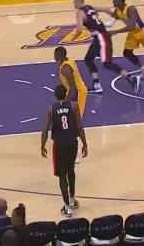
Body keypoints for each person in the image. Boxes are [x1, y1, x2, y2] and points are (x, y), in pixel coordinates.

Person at [72, 0, 137, 94]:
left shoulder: (79, 12)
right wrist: (115, 17)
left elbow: (80, 29)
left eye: (74, 2)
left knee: (107, 64)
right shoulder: (90, 7)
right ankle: (96, 85)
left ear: (78, 2)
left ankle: (130, 77)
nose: (73, 4)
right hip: (101, 38)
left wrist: (74, 37)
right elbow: (106, 9)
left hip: (101, 38)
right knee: (88, 59)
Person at [41, 84, 88, 218]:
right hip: (72, 143)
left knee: (62, 175)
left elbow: (45, 129)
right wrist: (85, 144)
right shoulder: (74, 106)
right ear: (66, 94)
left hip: (59, 146)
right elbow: (79, 126)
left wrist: (42, 145)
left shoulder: (51, 109)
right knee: (71, 171)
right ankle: (72, 199)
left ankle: (67, 208)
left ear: (55, 96)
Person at [104, 0, 144, 80]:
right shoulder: (117, 11)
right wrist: (95, 24)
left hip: (142, 32)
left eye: (114, 0)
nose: (113, 1)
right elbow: (109, 23)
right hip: (132, 33)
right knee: (127, 53)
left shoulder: (131, 9)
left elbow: (132, 25)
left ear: (120, 0)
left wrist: (116, 31)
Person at [54, 46, 88, 118]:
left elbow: (73, 88)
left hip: (78, 92)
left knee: (76, 118)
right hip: (75, 90)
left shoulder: (65, 69)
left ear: (61, 56)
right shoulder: (69, 59)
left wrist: (65, 102)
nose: (54, 57)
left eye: (56, 55)